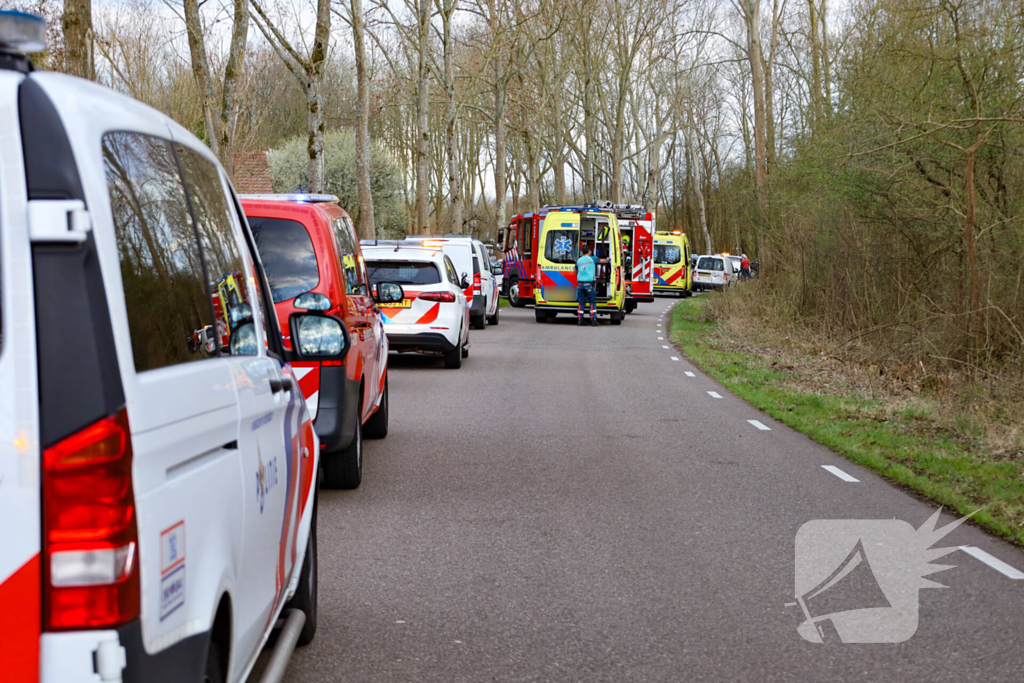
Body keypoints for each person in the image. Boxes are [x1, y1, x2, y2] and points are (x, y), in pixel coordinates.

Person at [575, 244, 610, 326]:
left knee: (581, 302)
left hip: (580, 284)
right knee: (592, 302)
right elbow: (603, 261)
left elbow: (575, 271)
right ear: (589, 252)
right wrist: (608, 259)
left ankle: (580, 319)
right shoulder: (592, 258)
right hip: (588, 284)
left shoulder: (579, 260)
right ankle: (593, 319)